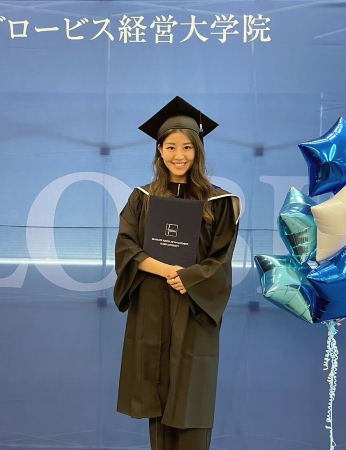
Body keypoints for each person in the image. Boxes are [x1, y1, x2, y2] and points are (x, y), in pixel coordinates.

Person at [113, 96, 241, 450]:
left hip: (193, 306)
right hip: (153, 305)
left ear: (198, 151)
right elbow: (126, 247)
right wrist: (169, 270)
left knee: (191, 400)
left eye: (187, 147)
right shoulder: (141, 198)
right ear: (159, 150)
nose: (179, 155)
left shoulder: (220, 202)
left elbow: (222, 258)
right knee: (157, 397)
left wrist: (190, 278)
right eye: (171, 147)